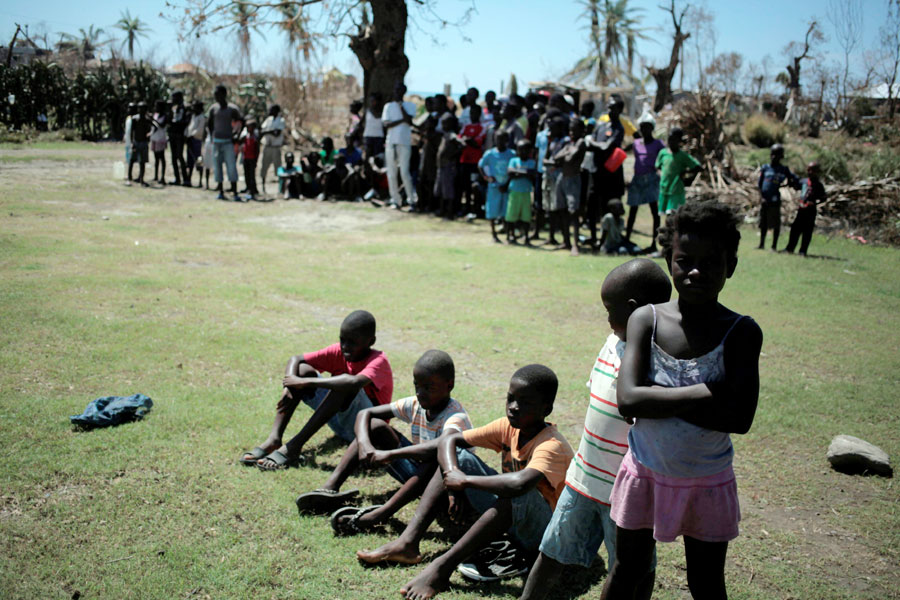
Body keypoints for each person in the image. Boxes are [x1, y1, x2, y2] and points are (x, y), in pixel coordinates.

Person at [600, 201, 764, 600]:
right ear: (668, 260)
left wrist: (656, 397)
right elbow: (628, 400)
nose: (695, 272)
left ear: (731, 265)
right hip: (645, 471)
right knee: (627, 569)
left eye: (710, 263)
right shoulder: (647, 320)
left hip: (707, 480)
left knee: (705, 583)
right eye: (684, 261)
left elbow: (739, 418)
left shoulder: (741, 332)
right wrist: (708, 392)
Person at [520, 258, 671, 600]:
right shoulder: (612, 342)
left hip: (628, 494)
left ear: (633, 310)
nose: (606, 317)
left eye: (608, 309)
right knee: (552, 552)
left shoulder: (658, 363)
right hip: (583, 480)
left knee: (632, 570)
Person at [357, 364, 575, 600]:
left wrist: (465, 481)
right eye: (511, 398)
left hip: (545, 534)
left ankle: (442, 567)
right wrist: (454, 482)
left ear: (546, 408)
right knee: (457, 458)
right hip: (514, 517)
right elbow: (448, 441)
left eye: (525, 402)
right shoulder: (508, 426)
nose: (513, 407)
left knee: (517, 492)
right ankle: (408, 543)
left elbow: (520, 484)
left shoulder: (552, 445)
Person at [295, 350, 472, 533]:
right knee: (375, 426)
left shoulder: (455, 416)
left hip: (447, 486)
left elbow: (441, 446)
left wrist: (390, 454)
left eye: (428, 388)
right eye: (416, 385)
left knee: (434, 461)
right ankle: (329, 489)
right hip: (418, 473)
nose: (420, 393)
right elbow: (366, 413)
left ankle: (380, 514)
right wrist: (365, 445)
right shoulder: (416, 404)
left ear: (449, 385)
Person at [242, 310, 394, 470]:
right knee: (302, 370)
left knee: (343, 385)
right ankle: (274, 439)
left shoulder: (378, 361)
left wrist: (304, 382)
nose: (345, 347)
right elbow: (296, 359)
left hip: (367, 433)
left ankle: (293, 447)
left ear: (371, 341)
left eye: (352, 343)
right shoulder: (339, 351)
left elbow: (354, 382)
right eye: (342, 340)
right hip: (340, 424)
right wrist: (289, 384)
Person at [586, 96, 628, 246]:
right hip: (595, 173)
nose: (609, 110)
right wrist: (597, 144)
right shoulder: (601, 126)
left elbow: (606, 147)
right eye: (608, 107)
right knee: (591, 206)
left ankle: (605, 241)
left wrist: (594, 143)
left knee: (607, 208)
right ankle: (593, 237)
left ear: (620, 110)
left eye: (613, 107)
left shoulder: (619, 129)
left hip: (610, 177)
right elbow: (590, 144)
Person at [548, 117, 587, 256]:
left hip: (573, 179)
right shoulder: (569, 144)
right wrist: (566, 153)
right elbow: (555, 158)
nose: (571, 133)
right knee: (562, 210)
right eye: (570, 130)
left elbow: (569, 159)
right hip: (562, 178)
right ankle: (566, 241)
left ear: (581, 131)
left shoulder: (581, 143)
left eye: (574, 130)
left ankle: (575, 245)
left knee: (573, 212)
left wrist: (564, 153)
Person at [626, 113, 665, 251]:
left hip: (651, 179)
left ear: (652, 128)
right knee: (633, 210)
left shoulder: (658, 144)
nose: (644, 130)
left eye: (647, 127)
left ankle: (654, 243)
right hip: (637, 179)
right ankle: (627, 239)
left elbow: (665, 158)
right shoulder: (636, 144)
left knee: (654, 211)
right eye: (642, 127)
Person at [757, 143, 801, 251]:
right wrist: (762, 197)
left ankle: (774, 246)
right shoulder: (765, 168)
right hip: (765, 200)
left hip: (775, 200)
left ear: (781, 156)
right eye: (772, 154)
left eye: (776, 154)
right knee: (763, 223)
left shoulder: (783, 170)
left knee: (775, 224)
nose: (773, 157)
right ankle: (761, 244)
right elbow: (760, 184)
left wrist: (792, 183)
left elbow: (794, 179)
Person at [382, 82, 418, 210]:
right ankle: (395, 200)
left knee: (404, 173)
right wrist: (401, 120)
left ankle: (411, 200)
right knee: (391, 174)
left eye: (400, 90)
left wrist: (401, 106)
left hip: (404, 143)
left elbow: (409, 121)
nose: (397, 92)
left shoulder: (410, 105)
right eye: (396, 90)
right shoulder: (388, 106)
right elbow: (387, 124)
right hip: (391, 142)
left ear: (404, 91)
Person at [208, 84, 243, 201]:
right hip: (216, 142)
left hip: (228, 142)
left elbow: (240, 122)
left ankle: (235, 192)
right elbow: (209, 123)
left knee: (231, 166)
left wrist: (236, 135)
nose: (216, 97)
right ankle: (221, 191)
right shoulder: (213, 109)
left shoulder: (232, 109)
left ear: (224, 94)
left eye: (217, 94)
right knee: (217, 167)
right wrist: (212, 136)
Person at [478, 130, 515, 243]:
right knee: (492, 211)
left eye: (502, 139)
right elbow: (480, 165)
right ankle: (494, 234)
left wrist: (507, 184)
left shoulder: (511, 154)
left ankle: (508, 234)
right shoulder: (489, 154)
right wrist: (487, 177)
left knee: (507, 212)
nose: (499, 141)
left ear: (507, 140)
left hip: (507, 187)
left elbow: (513, 170)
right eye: (497, 139)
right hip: (494, 187)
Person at [655, 127, 701, 216]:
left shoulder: (683, 156)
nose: (671, 142)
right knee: (665, 215)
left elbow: (697, 167)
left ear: (679, 141)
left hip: (676, 190)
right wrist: (661, 175)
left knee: (673, 214)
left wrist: (687, 175)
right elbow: (658, 167)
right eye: (670, 139)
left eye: (674, 140)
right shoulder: (663, 153)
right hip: (664, 188)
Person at [783, 161, 826, 256]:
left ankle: (803, 251)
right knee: (795, 229)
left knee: (807, 231)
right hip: (801, 210)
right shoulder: (804, 181)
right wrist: (789, 178)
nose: (809, 172)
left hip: (810, 211)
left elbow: (823, 198)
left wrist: (814, 203)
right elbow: (795, 186)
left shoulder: (818, 185)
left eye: (812, 170)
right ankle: (790, 248)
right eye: (808, 169)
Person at [505, 139, 536, 245]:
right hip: (514, 192)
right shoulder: (513, 160)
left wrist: (517, 172)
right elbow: (510, 172)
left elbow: (532, 174)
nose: (522, 152)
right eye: (520, 149)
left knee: (526, 216)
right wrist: (525, 172)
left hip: (526, 192)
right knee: (511, 215)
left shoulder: (532, 162)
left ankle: (526, 237)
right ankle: (510, 236)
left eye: (525, 150)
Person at [459, 104, 486, 218]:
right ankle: (466, 208)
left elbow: (477, 143)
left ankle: (476, 209)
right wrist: (467, 140)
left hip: (475, 162)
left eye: (474, 113)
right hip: (465, 160)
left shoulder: (482, 127)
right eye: (471, 113)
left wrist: (467, 140)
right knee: (465, 185)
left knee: (475, 185)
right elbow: (460, 139)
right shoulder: (466, 126)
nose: (472, 115)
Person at [435, 113, 463, 219]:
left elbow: (462, 144)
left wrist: (452, 155)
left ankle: (450, 212)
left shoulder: (452, 135)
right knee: (442, 190)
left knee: (448, 191)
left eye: (445, 123)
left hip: (448, 166)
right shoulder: (445, 134)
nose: (443, 125)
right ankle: (442, 210)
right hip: (442, 166)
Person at [259, 104, 286, 196]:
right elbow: (262, 131)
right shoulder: (268, 120)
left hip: (276, 147)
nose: (269, 111)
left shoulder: (281, 120)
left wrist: (268, 131)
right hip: (267, 147)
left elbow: (277, 133)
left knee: (278, 168)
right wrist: (271, 131)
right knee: (264, 167)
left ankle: (280, 189)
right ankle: (263, 188)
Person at [168, 91, 190, 185]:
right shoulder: (174, 108)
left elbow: (186, 122)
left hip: (180, 135)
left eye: (174, 97)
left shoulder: (186, 108)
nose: (173, 99)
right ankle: (177, 178)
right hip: (173, 135)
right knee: (173, 157)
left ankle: (186, 179)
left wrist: (176, 124)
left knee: (180, 156)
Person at [127, 102, 151, 187]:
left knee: (142, 162)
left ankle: (141, 179)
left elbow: (154, 127)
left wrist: (149, 135)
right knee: (132, 160)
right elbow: (132, 131)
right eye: (139, 108)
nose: (141, 110)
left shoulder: (147, 119)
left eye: (143, 108)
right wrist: (132, 142)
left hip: (144, 142)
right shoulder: (135, 118)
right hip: (136, 142)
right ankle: (129, 178)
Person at [185, 100, 207, 187]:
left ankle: (200, 181)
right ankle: (189, 179)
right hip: (190, 140)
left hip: (196, 140)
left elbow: (199, 130)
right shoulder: (193, 116)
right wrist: (187, 135)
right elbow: (190, 127)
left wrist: (191, 136)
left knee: (198, 160)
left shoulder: (201, 117)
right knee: (189, 160)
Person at [239, 118, 260, 200]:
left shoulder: (255, 138)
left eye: (249, 127)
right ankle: (248, 188)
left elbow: (257, 150)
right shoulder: (245, 136)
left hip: (252, 159)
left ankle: (252, 190)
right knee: (246, 174)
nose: (248, 129)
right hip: (246, 158)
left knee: (252, 176)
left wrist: (256, 160)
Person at [150, 100, 168, 185]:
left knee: (162, 158)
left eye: (157, 106)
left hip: (161, 139)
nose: (155, 107)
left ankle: (162, 177)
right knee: (156, 159)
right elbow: (154, 127)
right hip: (154, 138)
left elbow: (162, 126)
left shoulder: (165, 116)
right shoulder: (155, 115)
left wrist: (153, 119)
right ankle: (156, 176)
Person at [363, 93, 385, 159]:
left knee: (377, 156)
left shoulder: (383, 111)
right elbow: (362, 122)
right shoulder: (367, 111)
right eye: (370, 101)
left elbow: (377, 116)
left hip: (379, 137)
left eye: (373, 101)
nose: (371, 102)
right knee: (368, 156)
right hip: (368, 136)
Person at [123, 102, 136, 178]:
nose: (129, 110)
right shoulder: (128, 118)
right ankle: (129, 174)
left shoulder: (136, 118)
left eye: (131, 108)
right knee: (128, 158)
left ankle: (131, 175)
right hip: (127, 141)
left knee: (132, 159)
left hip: (133, 141)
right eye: (129, 108)